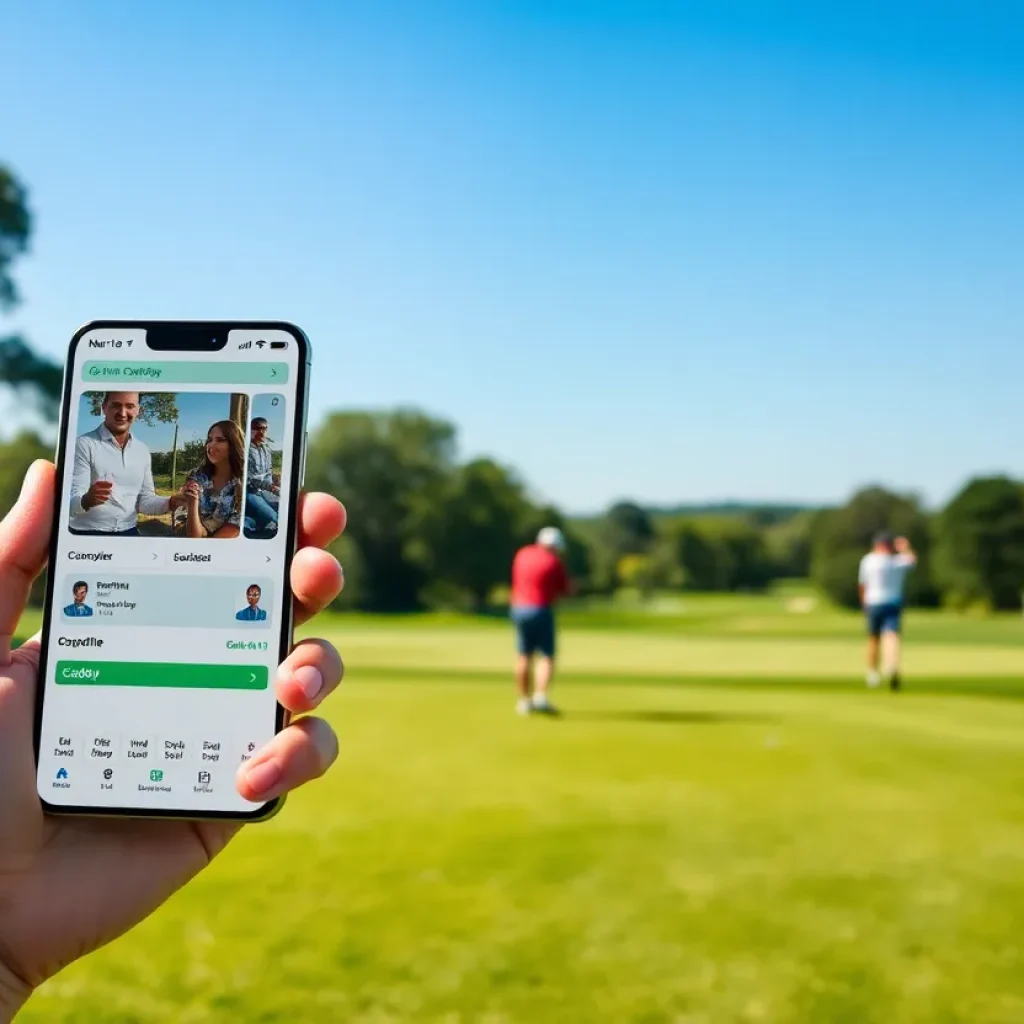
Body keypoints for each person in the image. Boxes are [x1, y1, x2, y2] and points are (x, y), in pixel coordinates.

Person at [0, 460, 347, 1017]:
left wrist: (5, 962)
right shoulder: (97, 451)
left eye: (133, 407)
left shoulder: (188, 475)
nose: (124, 413)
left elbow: (160, 510)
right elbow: (139, 512)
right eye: (118, 404)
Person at [69, 391, 184, 536]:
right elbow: (70, 502)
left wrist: (171, 502)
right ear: (104, 407)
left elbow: (144, 501)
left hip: (129, 531)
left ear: (138, 411)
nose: (122, 413)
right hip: (87, 533)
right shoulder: (84, 445)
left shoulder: (142, 450)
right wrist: (86, 500)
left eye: (130, 406)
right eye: (115, 405)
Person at [510, 526, 573, 716]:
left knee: (524, 655)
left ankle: (523, 701)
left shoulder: (522, 554)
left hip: (518, 608)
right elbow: (565, 590)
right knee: (547, 656)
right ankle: (540, 698)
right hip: (541, 609)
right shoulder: (554, 561)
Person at [859, 532, 917, 691]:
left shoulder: (868, 560)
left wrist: (863, 604)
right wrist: (905, 547)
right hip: (893, 603)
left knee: (873, 639)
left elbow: (862, 585)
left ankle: (872, 673)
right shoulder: (897, 561)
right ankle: (892, 666)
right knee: (892, 636)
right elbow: (912, 560)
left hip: (873, 603)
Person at [176, 420, 245, 539]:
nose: (211, 445)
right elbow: (189, 532)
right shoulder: (196, 477)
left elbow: (223, 537)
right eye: (209, 439)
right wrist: (192, 504)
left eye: (220, 440)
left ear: (234, 444)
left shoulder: (242, 488)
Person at [245, 416, 280, 537]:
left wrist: (274, 487)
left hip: (266, 490)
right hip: (251, 492)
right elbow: (248, 479)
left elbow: (268, 472)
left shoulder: (267, 450)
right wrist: (270, 488)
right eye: (257, 428)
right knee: (273, 516)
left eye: (264, 428)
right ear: (250, 430)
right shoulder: (245, 450)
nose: (261, 431)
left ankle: (254, 524)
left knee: (282, 504)